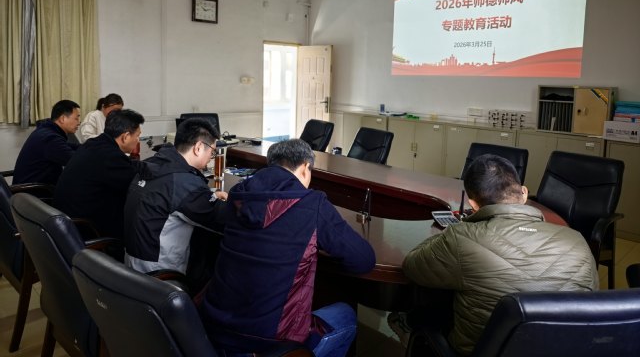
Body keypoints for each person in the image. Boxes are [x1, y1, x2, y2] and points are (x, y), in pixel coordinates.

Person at [389, 154, 599, 355]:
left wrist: (455, 231)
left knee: (427, 307)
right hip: (566, 350)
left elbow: (412, 266)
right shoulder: (577, 241)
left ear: (472, 204)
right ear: (524, 193)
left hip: (482, 351)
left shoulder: (462, 238)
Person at [198, 138, 376, 357]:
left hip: (214, 327)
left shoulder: (238, 195)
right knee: (346, 315)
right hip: (271, 341)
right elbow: (363, 260)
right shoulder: (312, 203)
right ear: (305, 167)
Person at [123, 118, 227, 280]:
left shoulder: (152, 164)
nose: (211, 157)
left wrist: (210, 195)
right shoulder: (183, 182)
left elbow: (170, 194)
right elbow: (222, 218)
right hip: (159, 276)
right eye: (212, 152)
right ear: (198, 147)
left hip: (131, 263)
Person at [53, 109, 145, 239]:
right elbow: (137, 185)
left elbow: (126, 167)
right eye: (137, 136)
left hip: (68, 221)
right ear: (125, 137)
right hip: (87, 229)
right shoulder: (111, 157)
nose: (138, 140)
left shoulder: (94, 144)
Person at [12, 100, 81, 186]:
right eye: (76, 118)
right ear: (63, 119)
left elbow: (68, 146)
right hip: (34, 191)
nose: (79, 122)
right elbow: (77, 161)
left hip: (33, 187)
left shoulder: (47, 131)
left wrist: (90, 147)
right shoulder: (50, 138)